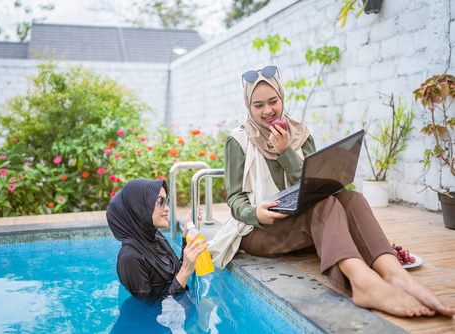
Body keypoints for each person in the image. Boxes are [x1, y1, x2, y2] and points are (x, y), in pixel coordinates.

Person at [222, 65, 455, 318]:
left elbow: (312, 182)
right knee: (327, 206)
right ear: (249, 105)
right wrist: (255, 213)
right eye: (258, 105)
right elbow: (234, 198)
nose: (267, 110)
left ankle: (395, 275)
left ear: (281, 97)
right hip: (260, 230)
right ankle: (363, 282)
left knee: (352, 198)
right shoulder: (239, 140)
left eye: (273, 101)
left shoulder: (300, 133)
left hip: (298, 220)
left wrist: (287, 150)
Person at [106, 178, 207, 305]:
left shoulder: (155, 237)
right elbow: (149, 311)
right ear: (140, 208)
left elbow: (176, 273)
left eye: (166, 201)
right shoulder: (130, 258)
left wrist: (186, 233)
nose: (167, 208)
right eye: (160, 202)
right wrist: (186, 270)